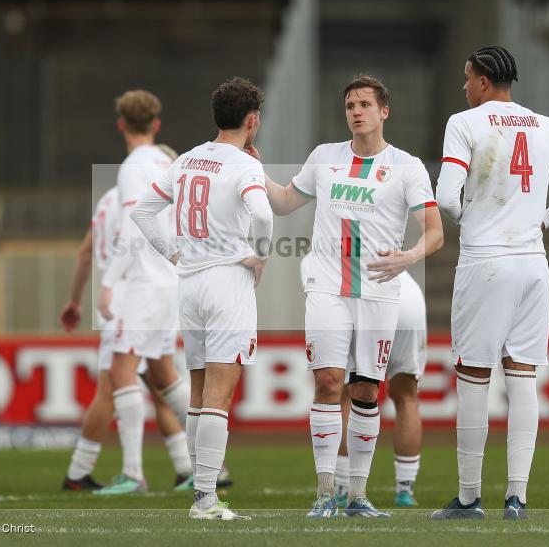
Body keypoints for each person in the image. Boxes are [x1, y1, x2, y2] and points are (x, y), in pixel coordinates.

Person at [432, 46, 549, 521]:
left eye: (468, 78)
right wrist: (544, 220)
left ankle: (469, 498)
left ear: (484, 81)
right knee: (522, 373)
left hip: (485, 260)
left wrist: (474, 221)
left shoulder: (465, 122)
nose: (464, 87)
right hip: (532, 262)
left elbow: (445, 196)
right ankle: (517, 497)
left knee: (472, 375)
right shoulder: (543, 124)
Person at [262, 75, 443, 518]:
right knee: (327, 383)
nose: (356, 111)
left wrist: (409, 256)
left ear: (384, 111)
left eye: (364, 104)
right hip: (327, 288)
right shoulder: (324, 158)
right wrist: (254, 170)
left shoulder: (408, 167)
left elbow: (435, 233)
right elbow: (285, 202)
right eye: (349, 105)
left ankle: (359, 495)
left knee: (365, 390)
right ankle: (326, 492)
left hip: (380, 293)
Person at [131, 77, 272, 521]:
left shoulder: (188, 159)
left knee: (197, 392)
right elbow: (264, 213)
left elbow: (142, 211)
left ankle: (201, 495)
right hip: (227, 281)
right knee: (218, 394)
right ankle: (207, 500)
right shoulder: (244, 164)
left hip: (188, 284)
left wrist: (172, 252)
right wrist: (261, 257)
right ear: (252, 121)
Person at [59, 180, 192, 493]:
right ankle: (189, 467)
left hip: (129, 301)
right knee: (138, 383)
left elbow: (86, 251)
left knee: (133, 384)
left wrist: (76, 299)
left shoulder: (109, 200)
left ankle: (181, 468)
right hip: (146, 299)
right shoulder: (154, 198)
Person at [90, 90, 191, 495]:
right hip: (169, 279)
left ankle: (133, 474)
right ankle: (210, 463)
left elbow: (135, 224)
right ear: (157, 124)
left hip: (144, 281)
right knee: (165, 373)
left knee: (121, 371)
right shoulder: (169, 161)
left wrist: (110, 281)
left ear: (120, 125)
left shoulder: (133, 166)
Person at [300, 259, 427, 509]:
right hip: (407, 294)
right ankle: (405, 490)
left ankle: (343, 486)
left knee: (348, 391)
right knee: (407, 396)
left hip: (364, 298)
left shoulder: (314, 258)